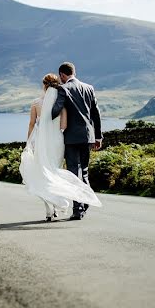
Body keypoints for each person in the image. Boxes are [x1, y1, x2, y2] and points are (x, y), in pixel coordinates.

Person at [19, 73, 102, 221]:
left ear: (44, 85)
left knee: (44, 173)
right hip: (58, 142)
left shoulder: (36, 103)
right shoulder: (61, 105)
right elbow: (63, 126)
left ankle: (50, 209)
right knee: (57, 173)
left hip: (42, 142)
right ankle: (74, 202)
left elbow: (32, 124)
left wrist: (28, 143)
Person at [51, 61, 102, 220]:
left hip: (72, 138)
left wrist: (47, 114)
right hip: (88, 136)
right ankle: (85, 202)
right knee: (84, 171)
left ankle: (78, 209)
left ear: (62, 75)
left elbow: (55, 111)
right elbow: (96, 114)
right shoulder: (89, 88)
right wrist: (98, 136)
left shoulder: (63, 89)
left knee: (74, 172)